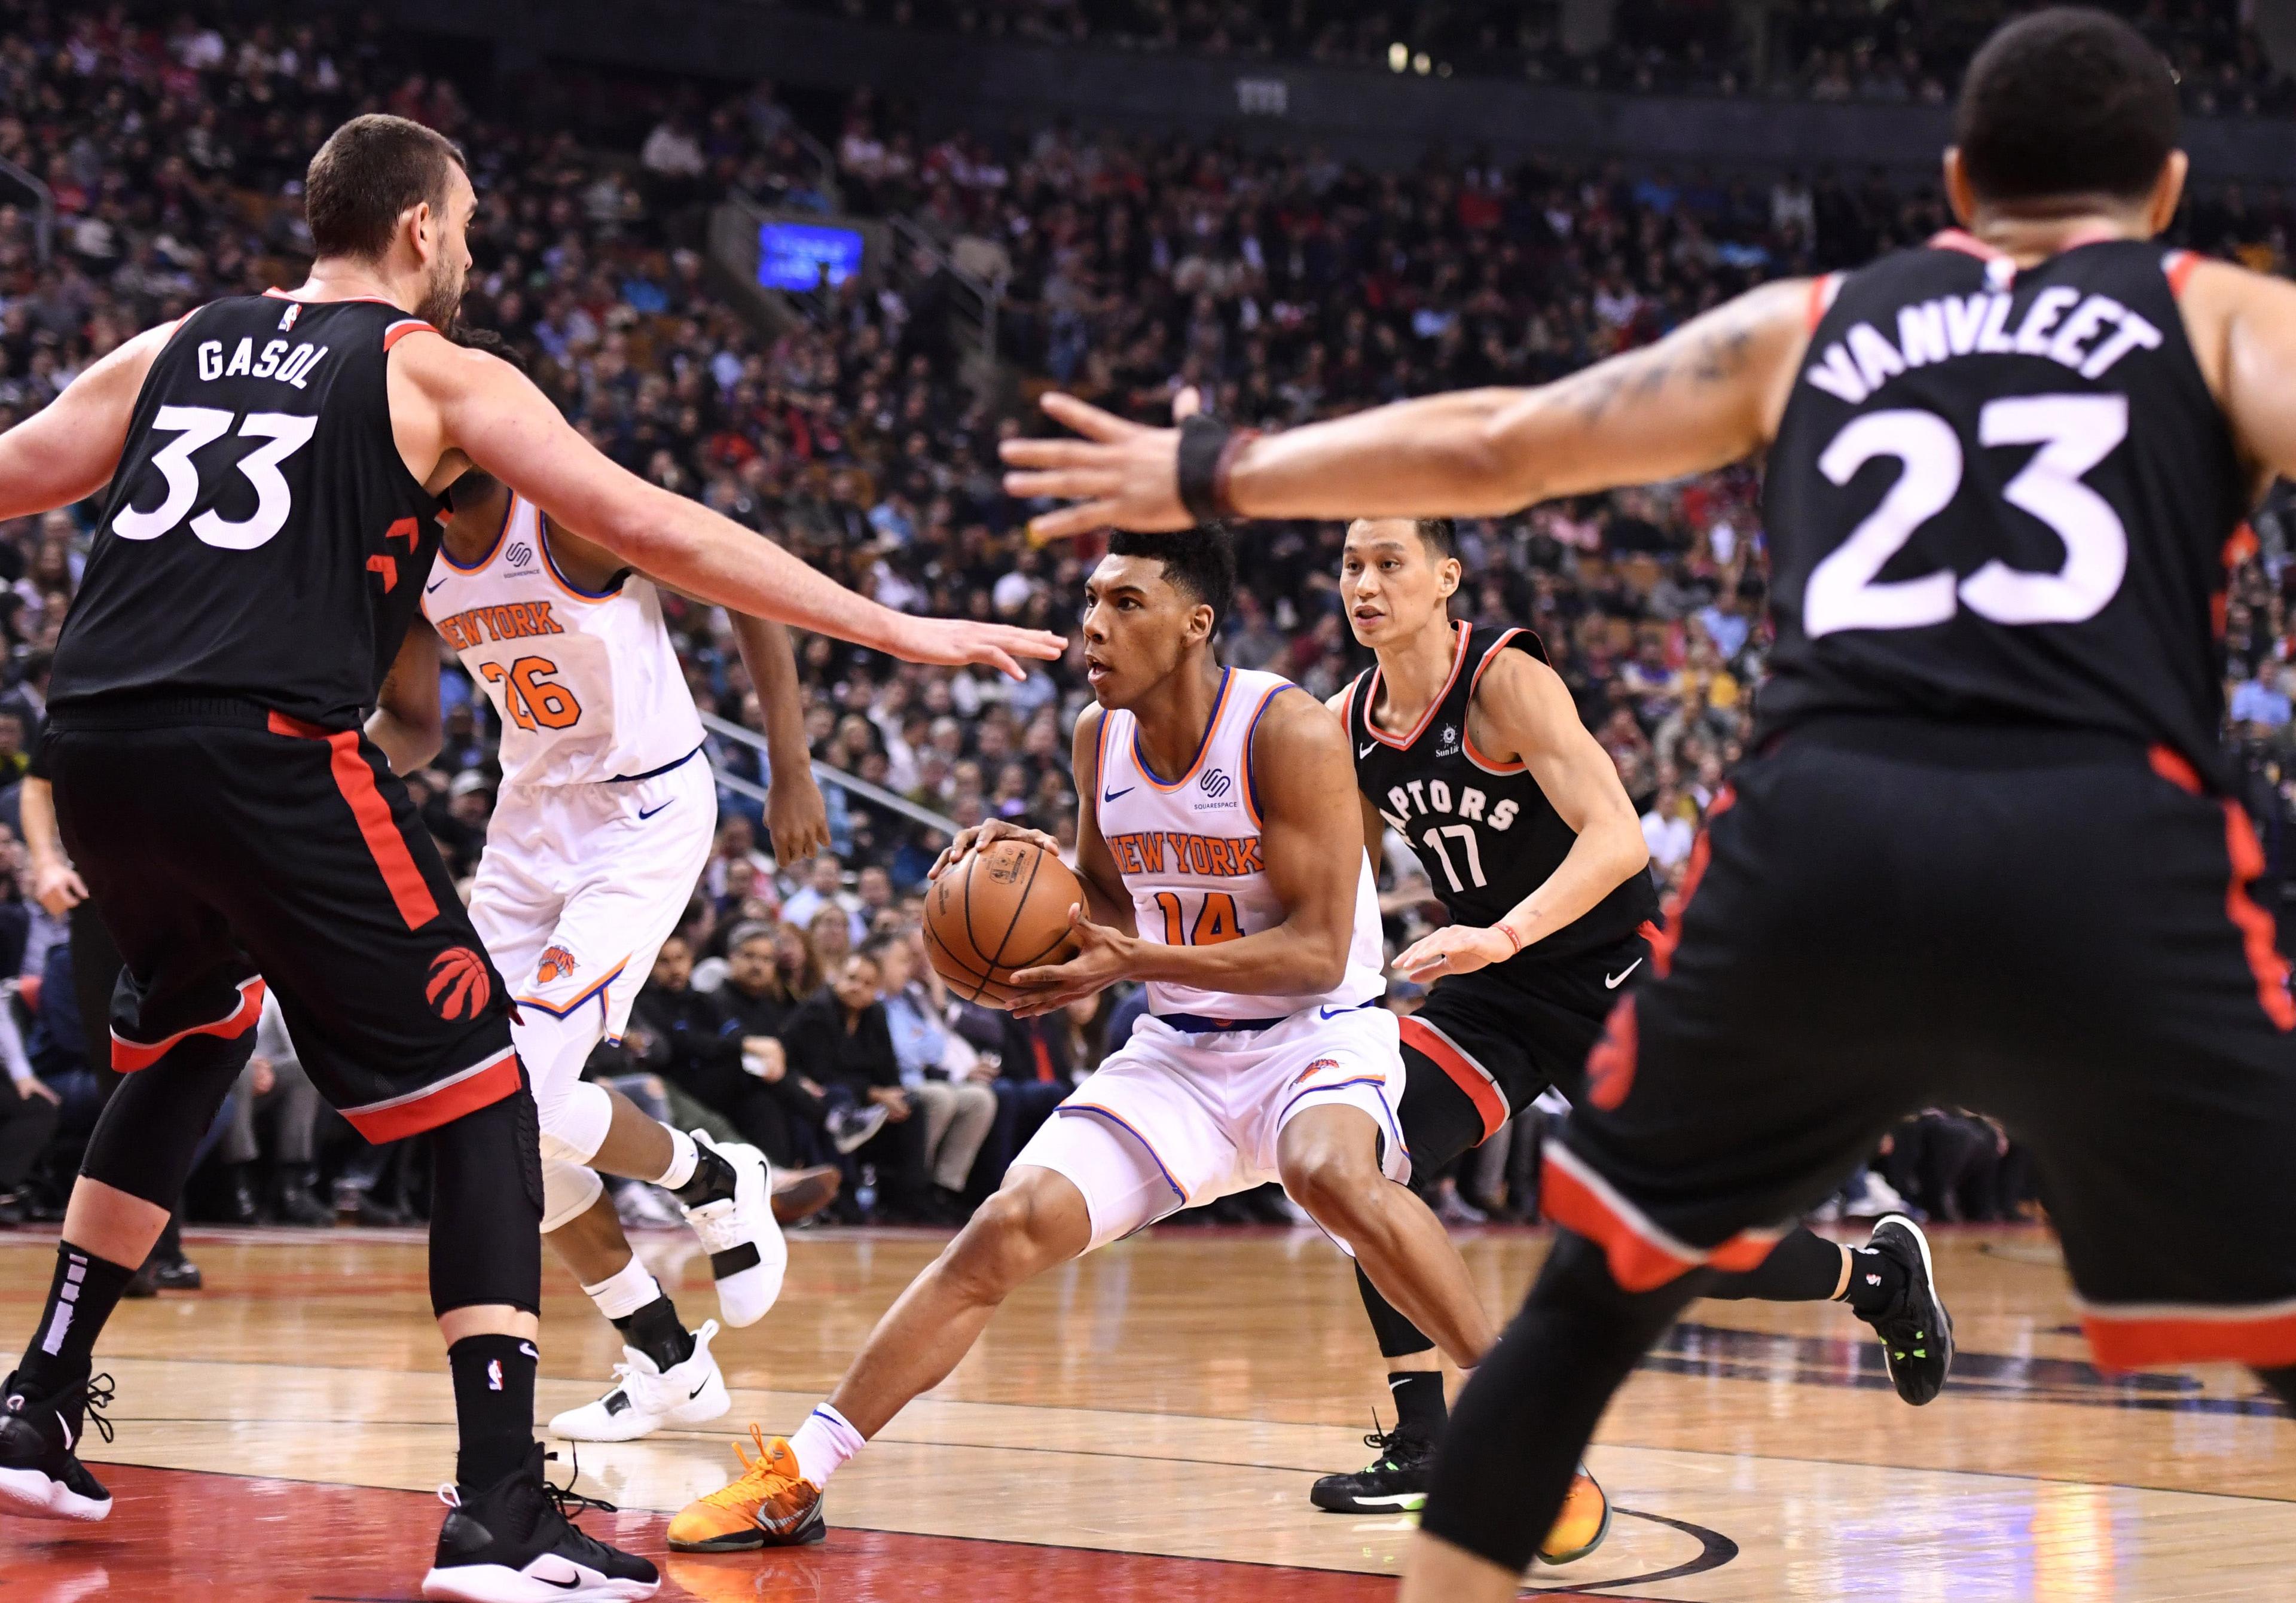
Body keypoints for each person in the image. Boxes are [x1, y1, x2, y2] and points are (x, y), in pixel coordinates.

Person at [1001, 12, 2296, 1596]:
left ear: (1956, 182)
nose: (1358, 579)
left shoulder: (1808, 324)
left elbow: (1504, 439)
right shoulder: (2214, 308)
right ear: (2167, 193)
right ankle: (1429, 1413)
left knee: (1572, 1312)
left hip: (1784, 867)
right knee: (1352, 1139)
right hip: (2102, 841)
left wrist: (1213, 468)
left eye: (1379, 559)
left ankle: (1704, 1343)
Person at [0, 113, 1060, 1603]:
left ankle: (39, 1395)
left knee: (193, 1032)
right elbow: (655, 520)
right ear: (421, 230)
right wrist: (900, 630)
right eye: (471, 226)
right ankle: (499, 1504)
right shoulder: (432, 370)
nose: (477, 252)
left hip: (98, 743)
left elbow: (21, 469)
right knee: (495, 1090)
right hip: (265, 750)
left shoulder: (179, 341)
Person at [665, 526, 1545, 1558]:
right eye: (1091, 600)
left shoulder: (1289, 729)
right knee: (1005, 1228)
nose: (1093, 624)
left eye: (1126, 603)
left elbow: (1314, 952)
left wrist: (1129, 960)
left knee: (1329, 1172)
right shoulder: (1098, 738)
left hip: (1316, 1039)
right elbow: (1106, 902)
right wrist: (1021, 869)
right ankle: (800, 1476)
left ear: (1195, 623)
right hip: (1179, 1051)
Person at [1308, 516, 1948, 1517]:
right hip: (1489, 989)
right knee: (1365, 1164)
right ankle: (1425, 1438)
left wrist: (1504, 936)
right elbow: (1326, 889)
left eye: (1390, 563)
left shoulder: (1505, 682)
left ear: (1445, 578)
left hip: (1605, 970)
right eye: (1351, 565)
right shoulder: (1344, 722)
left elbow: (1617, 839)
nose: (1366, 584)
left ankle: (1875, 1279)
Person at [393, 340, 836, 1446]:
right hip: (530, 823)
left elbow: (741, 574)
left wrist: (790, 762)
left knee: (522, 1091)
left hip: (641, 815)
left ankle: (714, 1168)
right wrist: (306, 758)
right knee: (475, 1112)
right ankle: (666, 1358)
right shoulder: (405, 555)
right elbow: (413, 724)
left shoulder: (565, 517)